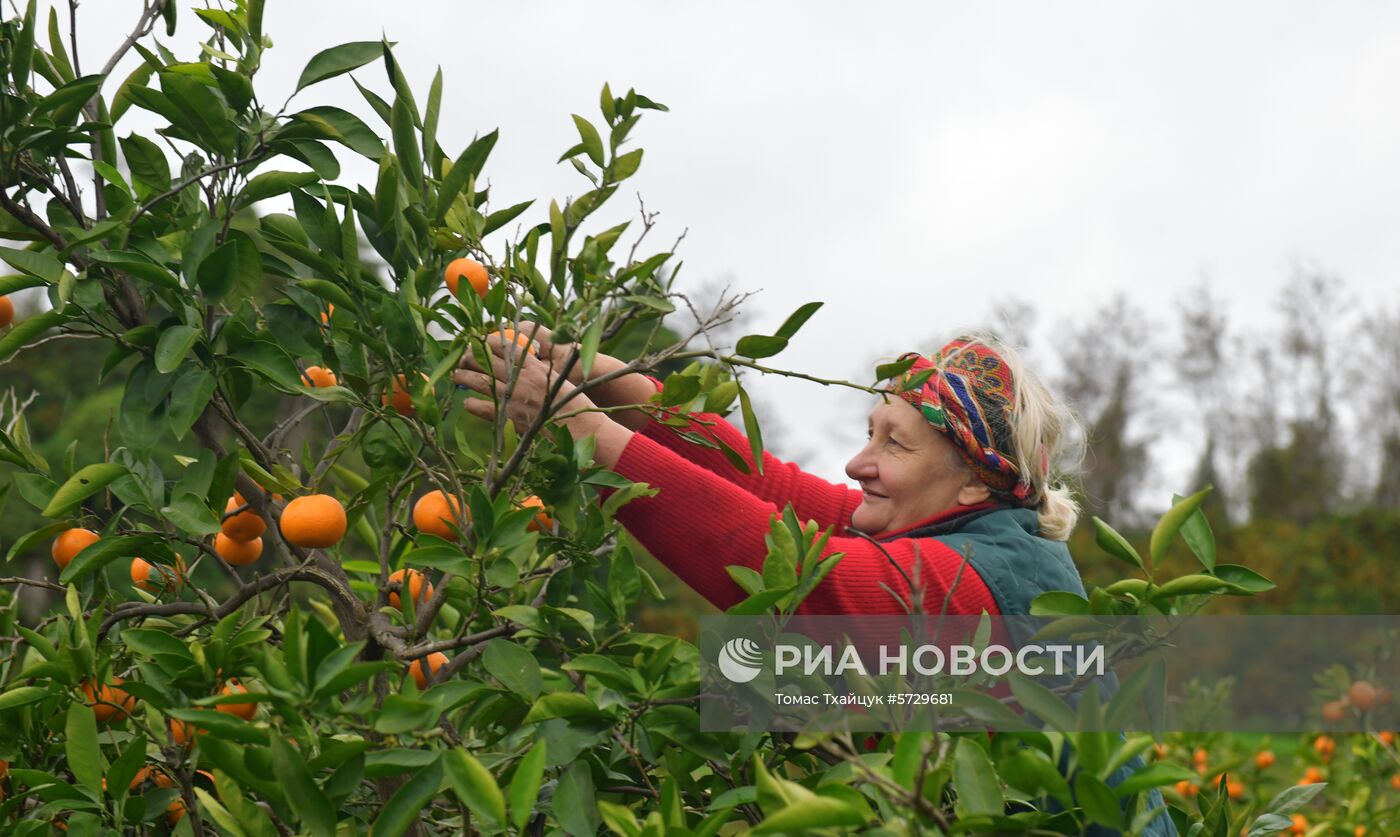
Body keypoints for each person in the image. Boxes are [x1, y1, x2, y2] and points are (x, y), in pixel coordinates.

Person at [455, 326, 1177, 837]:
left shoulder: (983, 578)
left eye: (894, 443)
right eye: (871, 431)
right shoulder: (943, 527)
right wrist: (621, 391)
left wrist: (590, 433)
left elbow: (795, 574)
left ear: (970, 484)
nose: (860, 462)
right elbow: (775, 489)